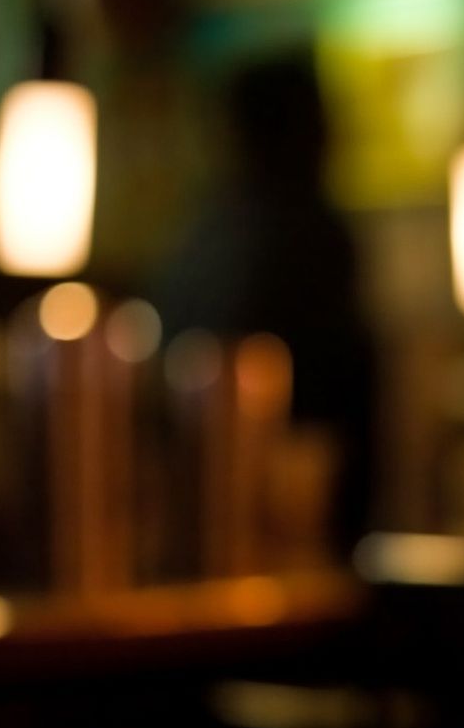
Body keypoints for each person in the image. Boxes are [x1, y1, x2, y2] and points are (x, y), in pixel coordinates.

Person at [153, 54, 377, 549]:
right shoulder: (312, 230)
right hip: (287, 512)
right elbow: (338, 389)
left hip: (191, 504)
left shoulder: (200, 233)